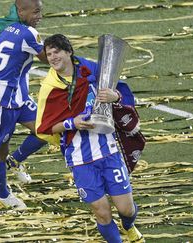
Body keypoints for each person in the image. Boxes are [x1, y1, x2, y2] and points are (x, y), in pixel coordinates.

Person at [36, 34, 144, 242]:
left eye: (56, 52)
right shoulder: (50, 88)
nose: (52, 57)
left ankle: (129, 226)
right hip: (79, 159)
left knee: (127, 209)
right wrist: (71, 123)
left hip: (108, 151)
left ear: (68, 52)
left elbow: (119, 93)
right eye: (48, 54)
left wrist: (115, 97)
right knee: (102, 211)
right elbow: (46, 127)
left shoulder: (91, 70)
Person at [0, 0, 47, 210]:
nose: (39, 16)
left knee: (46, 130)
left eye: (40, 11)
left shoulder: (5, 27)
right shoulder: (29, 34)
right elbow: (50, 60)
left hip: (18, 96)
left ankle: (15, 161)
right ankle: (1, 193)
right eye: (35, 12)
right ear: (21, 11)